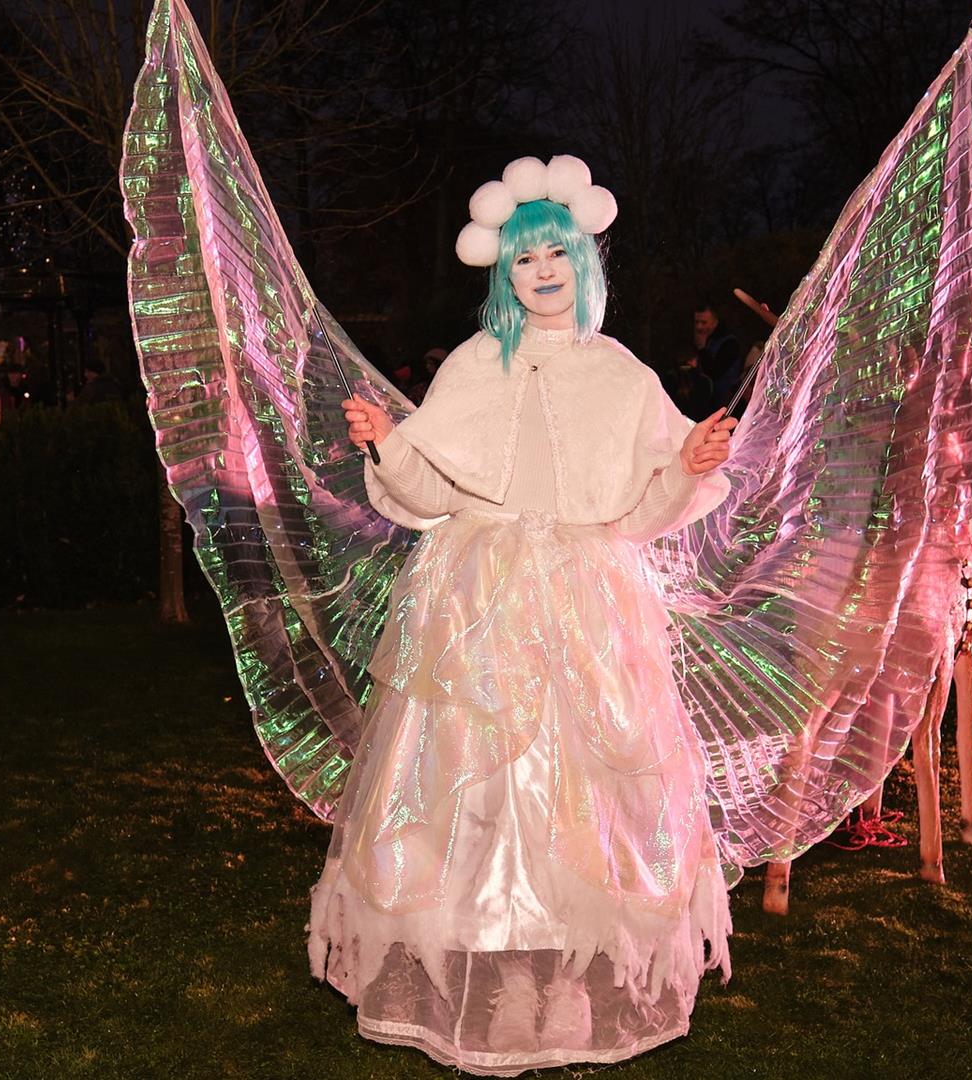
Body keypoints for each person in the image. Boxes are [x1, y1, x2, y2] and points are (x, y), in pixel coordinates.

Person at [328, 157, 738, 1073]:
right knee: (481, 800)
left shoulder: (621, 372)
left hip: (589, 608)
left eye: (558, 251)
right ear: (503, 276)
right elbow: (431, 490)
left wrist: (688, 465)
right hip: (482, 605)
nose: (543, 269)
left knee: (581, 797)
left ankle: (563, 978)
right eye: (524, 259)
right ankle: (503, 978)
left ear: (584, 261)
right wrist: (389, 444)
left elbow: (634, 510)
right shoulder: (476, 365)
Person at [694, 300, 744, 406]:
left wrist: (702, 349)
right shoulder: (702, 341)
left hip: (722, 402)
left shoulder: (730, 343)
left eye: (704, 323)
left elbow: (715, 372)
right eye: (697, 322)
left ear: (714, 323)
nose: (699, 327)